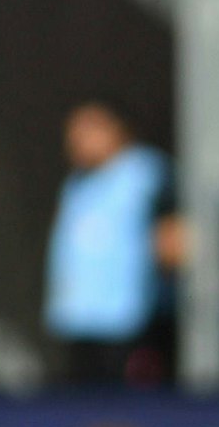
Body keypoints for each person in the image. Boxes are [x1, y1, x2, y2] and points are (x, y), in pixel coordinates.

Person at [44, 103, 179, 387]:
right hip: (80, 321)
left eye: (90, 129)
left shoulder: (145, 173)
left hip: (127, 322)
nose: (78, 139)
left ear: (118, 129)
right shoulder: (76, 185)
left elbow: (172, 237)